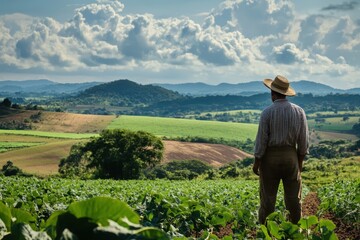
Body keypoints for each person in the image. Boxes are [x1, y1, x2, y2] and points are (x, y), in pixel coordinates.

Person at [253, 75, 309, 224]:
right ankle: (295, 227)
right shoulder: (299, 112)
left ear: (272, 93)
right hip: (291, 157)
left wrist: (257, 162)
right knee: (293, 198)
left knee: (268, 199)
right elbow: (303, 143)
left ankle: (266, 229)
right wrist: (299, 163)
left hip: (269, 159)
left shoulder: (267, 113)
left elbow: (261, 141)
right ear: (286, 93)